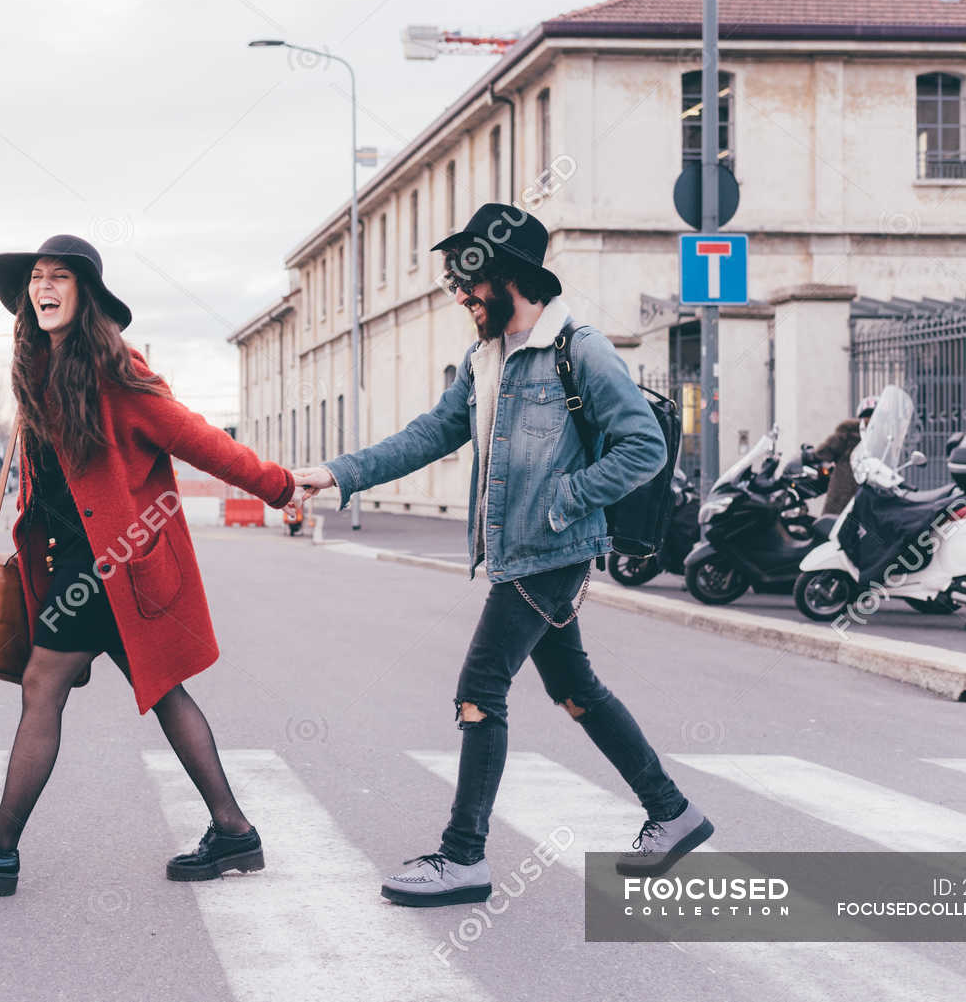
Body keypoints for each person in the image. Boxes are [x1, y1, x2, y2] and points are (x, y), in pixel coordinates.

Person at [291, 204, 714, 907]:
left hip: (552, 548)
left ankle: (464, 857)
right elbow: (429, 434)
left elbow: (644, 445)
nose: (459, 296)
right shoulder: (485, 359)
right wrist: (335, 474)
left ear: (510, 277)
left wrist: (567, 495)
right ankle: (672, 811)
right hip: (521, 552)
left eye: (468, 282)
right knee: (575, 688)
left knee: (479, 691)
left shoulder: (578, 348)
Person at [0, 234, 304, 897]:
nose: (44, 287)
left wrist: (280, 487)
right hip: (81, 562)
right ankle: (233, 829)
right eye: (37, 277)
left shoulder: (117, 375)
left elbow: (200, 439)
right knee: (164, 691)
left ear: (84, 294)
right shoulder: (39, 370)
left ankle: (0, 849)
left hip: (103, 566)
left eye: (60, 277)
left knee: (42, 686)